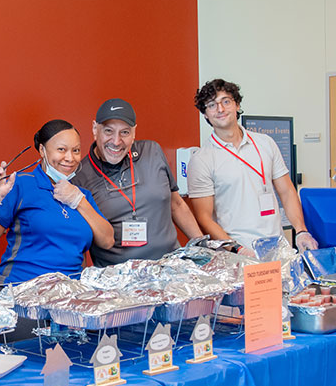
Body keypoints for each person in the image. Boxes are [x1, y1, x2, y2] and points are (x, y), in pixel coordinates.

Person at [187, 79, 318, 255]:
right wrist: (237, 249)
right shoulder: (202, 159)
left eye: (226, 101)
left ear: (237, 105)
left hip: (278, 248)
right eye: (212, 105)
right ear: (205, 114)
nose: (220, 109)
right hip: (238, 254)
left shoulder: (266, 143)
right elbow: (204, 217)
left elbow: (286, 191)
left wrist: (301, 231)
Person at [0, 120, 114, 284]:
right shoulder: (20, 184)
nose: (70, 158)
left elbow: (107, 241)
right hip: (21, 291)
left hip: (68, 298)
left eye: (76, 150)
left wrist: (78, 201)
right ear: (42, 150)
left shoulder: (82, 194)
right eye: (61, 150)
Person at [71, 98, 203, 266]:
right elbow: (79, 240)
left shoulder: (152, 151)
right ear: (95, 129)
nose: (116, 141)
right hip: (119, 279)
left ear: (134, 133)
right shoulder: (79, 177)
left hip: (171, 268)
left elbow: (176, 205)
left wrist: (201, 247)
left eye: (124, 132)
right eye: (108, 131)